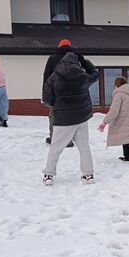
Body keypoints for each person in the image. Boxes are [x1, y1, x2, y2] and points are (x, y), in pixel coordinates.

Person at [42, 52, 99, 185]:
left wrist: (57, 105)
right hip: (81, 117)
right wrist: (86, 62)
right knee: (84, 147)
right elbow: (95, 75)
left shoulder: (54, 77)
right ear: (76, 62)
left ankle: (48, 175)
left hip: (63, 119)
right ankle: (88, 175)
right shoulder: (81, 75)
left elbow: (46, 99)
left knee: (56, 147)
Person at [43, 39, 96, 145]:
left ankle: (55, 138)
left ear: (59, 46)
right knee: (74, 115)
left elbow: (46, 76)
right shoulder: (76, 57)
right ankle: (70, 139)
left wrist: (46, 95)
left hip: (58, 92)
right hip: (75, 92)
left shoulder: (53, 58)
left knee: (54, 115)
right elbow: (85, 72)